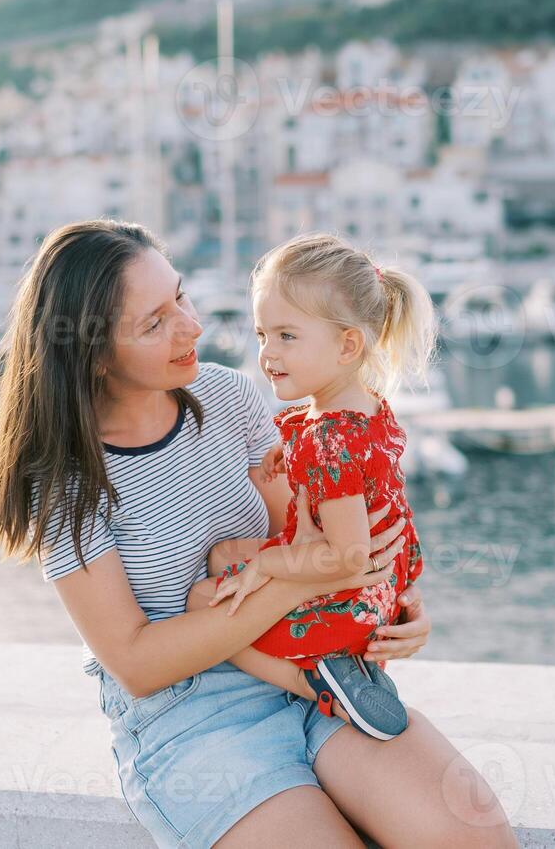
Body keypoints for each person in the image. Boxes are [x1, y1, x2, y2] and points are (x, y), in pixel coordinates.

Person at [0, 219, 514, 848]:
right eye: (154, 323)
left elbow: (308, 539)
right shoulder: (65, 480)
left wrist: (386, 599)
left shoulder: (231, 396)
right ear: (92, 352)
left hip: (317, 673)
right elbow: (138, 664)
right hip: (194, 718)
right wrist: (303, 578)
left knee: (473, 837)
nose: (192, 326)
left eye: (181, 296)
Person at [188, 233, 435, 743]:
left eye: (287, 336)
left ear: (348, 345)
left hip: (349, 595)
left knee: (200, 602)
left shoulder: (328, 441)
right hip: (386, 585)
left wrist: (264, 565)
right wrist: (289, 445)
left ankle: (314, 679)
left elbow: (345, 557)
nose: (266, 353)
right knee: (220, 555)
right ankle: (337, 666)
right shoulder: (361, 407)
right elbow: (356, 472)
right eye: (261, 335)